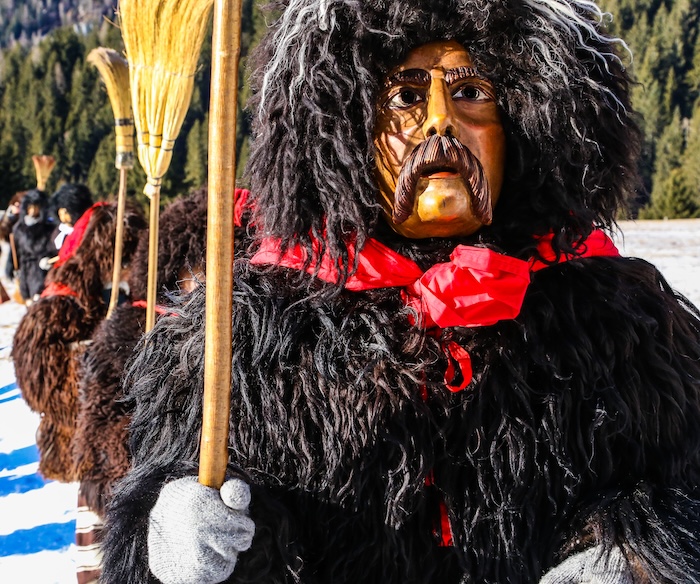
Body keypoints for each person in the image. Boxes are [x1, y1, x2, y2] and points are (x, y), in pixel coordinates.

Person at [101, 1, 700, 583]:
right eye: (407, 97)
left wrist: (630, 555)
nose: (441, 120)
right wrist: (173, 536)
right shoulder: (249, 337)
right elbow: (198, 503)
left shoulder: (620, 322)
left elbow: (679, 480)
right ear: (346, 129)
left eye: (471, 93)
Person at [10, 189, 55, 303]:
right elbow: (14, 250)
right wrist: (11, 268)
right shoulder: (19, 228)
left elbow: (54, 249)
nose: (33, 210)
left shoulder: (49, 228)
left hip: (43, 270)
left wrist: (49, 259)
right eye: (30, 207)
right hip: (26, 270)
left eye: (36, 207)